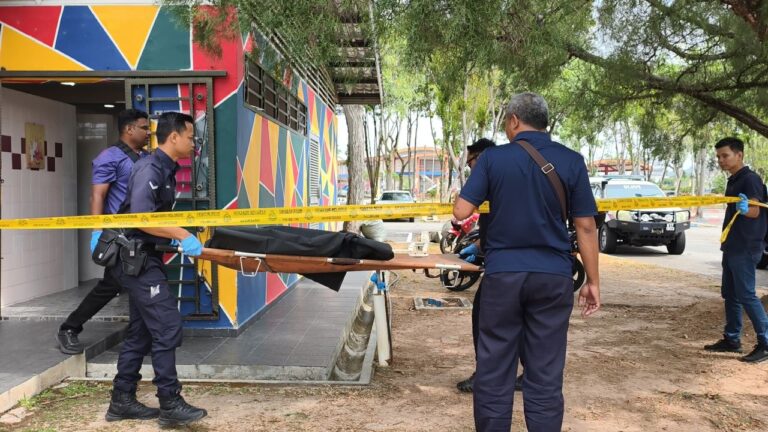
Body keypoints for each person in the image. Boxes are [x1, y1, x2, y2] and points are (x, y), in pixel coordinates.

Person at [453, 92, 600, 431]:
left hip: (504, 277)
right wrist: (593, 281)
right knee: (545, 372)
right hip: (553, 277)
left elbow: (461, 211)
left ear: (515, 120)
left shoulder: (492, 159)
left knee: (494, 368)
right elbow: (586, 226)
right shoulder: (572, 161)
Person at [105, 112, 207, 425]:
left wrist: (175, 232)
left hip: (144, 257)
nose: (193, 143)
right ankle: (170, 403)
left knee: (141, 332)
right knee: (166, 326)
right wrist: (181, 234)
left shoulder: (165, 168)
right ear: (173, 137)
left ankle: (121, 400)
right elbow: (141, 217)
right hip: (135, 260)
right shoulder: (150, 167)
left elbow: (152, 218)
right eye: (190, 136)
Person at [57, 109, 150, 354]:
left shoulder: (145, 157)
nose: (149, 132)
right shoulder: (109, 157)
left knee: (132, 285)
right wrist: (97, 231)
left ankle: (139, 337)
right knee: (113, 285)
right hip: (119, 235)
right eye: (144, 127)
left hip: (142, 233)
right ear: (129, 129)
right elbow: (97, 196)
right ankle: (69, 328)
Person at [704, 137, 768, 363]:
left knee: (746, 294)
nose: (721, 160)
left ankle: (766, 343)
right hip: (732, 246)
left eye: (725, 155)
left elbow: (755, 211)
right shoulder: (734, 180)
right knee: (730, 294)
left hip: (746, 246)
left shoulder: (750, 179)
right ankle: (732, 340)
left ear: (739, 155)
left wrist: (745, 208)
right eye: (718, 157)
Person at [453, 138, 506, 394]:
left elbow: (460, 210)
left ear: (481, 158)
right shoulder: (513, 176)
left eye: (470, 162)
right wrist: (478, 246)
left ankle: (486, 376)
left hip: (506, 265)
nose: (470, 167)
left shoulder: (490, 173)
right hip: (540, 264)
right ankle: (526, 375)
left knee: (484, 317)